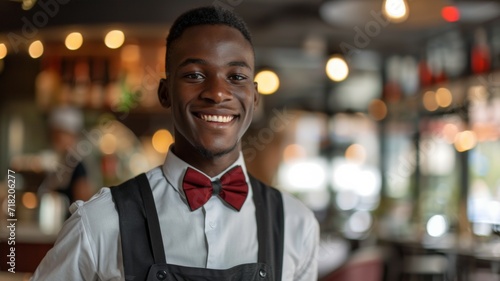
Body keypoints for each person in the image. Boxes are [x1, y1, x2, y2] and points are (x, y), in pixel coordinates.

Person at [31, 6, 319, 281]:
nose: (218, 93)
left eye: (236, 76)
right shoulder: (101, 221)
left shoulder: (297, 224)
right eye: (195, 75)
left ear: (255, 98)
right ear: (165, 93)